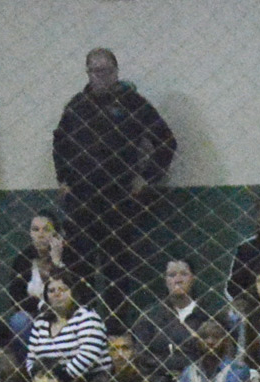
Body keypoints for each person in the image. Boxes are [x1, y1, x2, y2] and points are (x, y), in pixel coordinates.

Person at [52, 48, 177, 309]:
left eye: (107, 70)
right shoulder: (77, 107)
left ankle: (117, 333)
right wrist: (63, 178)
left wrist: (146, 177)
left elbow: (166, 142)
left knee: (117, 272)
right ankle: (83, 329)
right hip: (81, 200)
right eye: (95, 71)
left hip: (118, 199)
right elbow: (59, 142)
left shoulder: (134, 104)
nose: (102, 77)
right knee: (79, 270)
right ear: (87, 73)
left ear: (116, 71)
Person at [22, 274, 108, 382]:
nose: (57, 294)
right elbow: (31, 358)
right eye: (51, 291)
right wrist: (37, 378)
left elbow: (89, 354)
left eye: (63, 289)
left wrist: (62, 377)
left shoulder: (87, 317)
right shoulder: (40, 322)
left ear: (73, 293)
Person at [8, 213, 77, 346]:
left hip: (65, 316)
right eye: (35, 230)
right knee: (19, 320)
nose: (41, 234)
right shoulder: (22, 260)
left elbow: (75, 292)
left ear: (56, 234)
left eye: (46, 229)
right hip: (34, 316)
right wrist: (42, 308)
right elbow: (16, 298)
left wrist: (57, 263)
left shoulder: (70, 257)